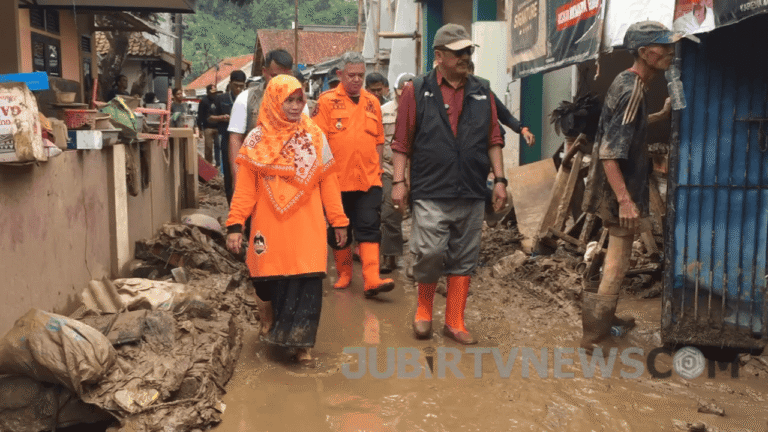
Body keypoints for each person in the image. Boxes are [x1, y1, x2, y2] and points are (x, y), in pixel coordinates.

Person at [391, 24, 507, 344]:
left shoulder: (483, 90)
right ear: (439, 56)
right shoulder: (416, 90)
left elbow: (493, 139)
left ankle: (455, 321)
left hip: (470, 189)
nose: (466, 57)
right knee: (429, 253)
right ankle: (424, 311)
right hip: (430, 189)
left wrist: (500, 180)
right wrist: (399, 182)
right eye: (458, 53)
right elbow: (402, 142)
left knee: (464, 257)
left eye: (468, 51)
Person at [225, 75, 349, 364]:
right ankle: (270, 322)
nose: (295, 106)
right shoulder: (255, 140)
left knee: (307, 282)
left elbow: (329, 181)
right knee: (267, 282)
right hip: (270, 226)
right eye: (288, 100)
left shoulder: (315, 137)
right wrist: (235, 225)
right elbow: (244, 189)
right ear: (273, 101)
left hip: (308, 225)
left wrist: (338, 220)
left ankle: (303, 344)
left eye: (299, 100)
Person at [581, 21, 674, 352]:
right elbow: (610, 151)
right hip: (617, 187)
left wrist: (659, 117)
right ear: (645, 53)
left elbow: (624, 128)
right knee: (619, 260)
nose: (670, 51)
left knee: (616, 259)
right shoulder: (632, 88)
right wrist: (625, 200)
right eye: (663, 47)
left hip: (615, 186)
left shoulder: (627, 82)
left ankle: (607, 319)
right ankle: (594, 336)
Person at [314, 51, 395, 298]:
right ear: (340, 74)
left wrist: (378, 171)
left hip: (368, 179)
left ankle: (371, 278)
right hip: (336, 181)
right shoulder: (326, 102)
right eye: (352, 75)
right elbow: (318, 142)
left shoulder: (373, 102)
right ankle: (344, 273)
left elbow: (379, 140)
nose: (357, 80)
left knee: (370, 226)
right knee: (339, 228)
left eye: (361, 75)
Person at [228, 49, 294, 200]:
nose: (279, 82)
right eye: (274, 76)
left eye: (285, 77)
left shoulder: (298, 103)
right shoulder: (246, 99)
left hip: (286, 180)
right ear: (264, 72)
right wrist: (237, 177)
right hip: (253, 176)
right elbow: (235, 139)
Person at [379, 72, 415, 273]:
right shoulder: (384, 112)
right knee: (390, 213)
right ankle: (390, 256)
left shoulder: (425, 111)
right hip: (390, 169)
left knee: (419, 217)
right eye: (401, 94)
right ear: (394, 92)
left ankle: (418, 263)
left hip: (417, 171)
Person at [210, 70, 247, 203]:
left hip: (245, 142)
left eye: (241, 86)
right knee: (230, 174)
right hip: (226, 139)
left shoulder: (247, 99)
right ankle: (231, 205)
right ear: (230, 83)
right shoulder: (221, 99)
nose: (238, 88)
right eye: (236, 85)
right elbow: (209, 118)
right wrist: (222, 118)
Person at [197, 84, 221, 166]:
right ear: (207, 92)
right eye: (211, 92)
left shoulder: (218, 99)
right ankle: (208, 164)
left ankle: (218, 164)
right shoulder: (204, 101)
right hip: (208, 127)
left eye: (215, 92)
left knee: (218, 146)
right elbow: (200, 115)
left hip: (218, 127)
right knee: (208, 147)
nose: (213, 94)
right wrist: (200, 129)